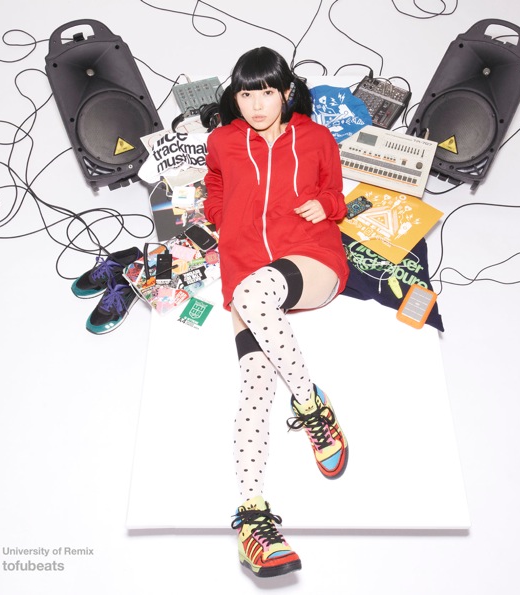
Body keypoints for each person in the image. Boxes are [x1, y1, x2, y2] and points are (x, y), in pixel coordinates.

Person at [204, 46, 349, 578]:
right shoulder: (222, 141)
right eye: (247, 94)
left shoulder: (316, 137)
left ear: (286, 92)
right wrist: (220, 216)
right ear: (235, 97)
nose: (258, 105)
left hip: (310, 259)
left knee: (252, 295)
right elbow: (215, 184)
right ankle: (253, 521)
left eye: (267, 92)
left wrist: (325, 205)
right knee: (254, 390)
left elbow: (337, 194)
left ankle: (310, 404)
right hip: (245, 265)